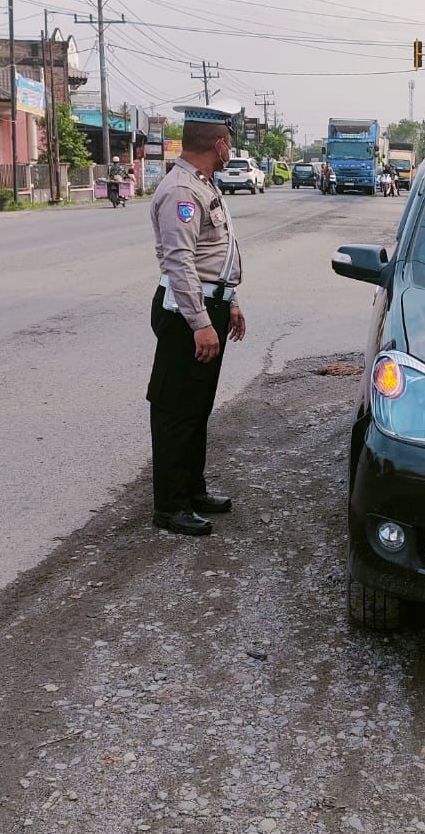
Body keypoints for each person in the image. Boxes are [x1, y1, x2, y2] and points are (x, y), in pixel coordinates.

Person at [146, 98, 247, 537]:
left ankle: (192, 490)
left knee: (197, 407)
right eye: (229, 142)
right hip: (186, 313)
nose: (230, 150)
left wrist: (230, 301)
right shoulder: (182, 191)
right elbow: (180, 262)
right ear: (219, 144)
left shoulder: (203, 183)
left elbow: (213, 255)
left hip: (209, 305)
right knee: (176, 410)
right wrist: (201, 323)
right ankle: (170, 506)